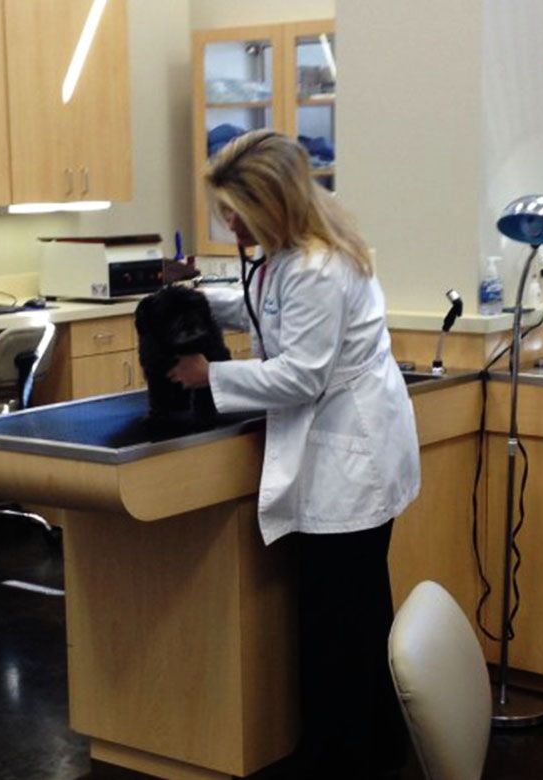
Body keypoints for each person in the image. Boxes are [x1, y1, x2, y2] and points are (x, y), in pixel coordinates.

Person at [167, 130, 421, 779]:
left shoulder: (315, 266)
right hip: (347, 448)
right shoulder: (293, 252)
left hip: (349, 458)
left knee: (340, 628)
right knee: (353, 620)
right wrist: (203, 299)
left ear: (271, 204)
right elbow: (265, 305)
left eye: (235, 211)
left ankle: (340, 759)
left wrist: (209, 377)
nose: (228, 223)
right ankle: (368, 752)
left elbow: (301, 374)